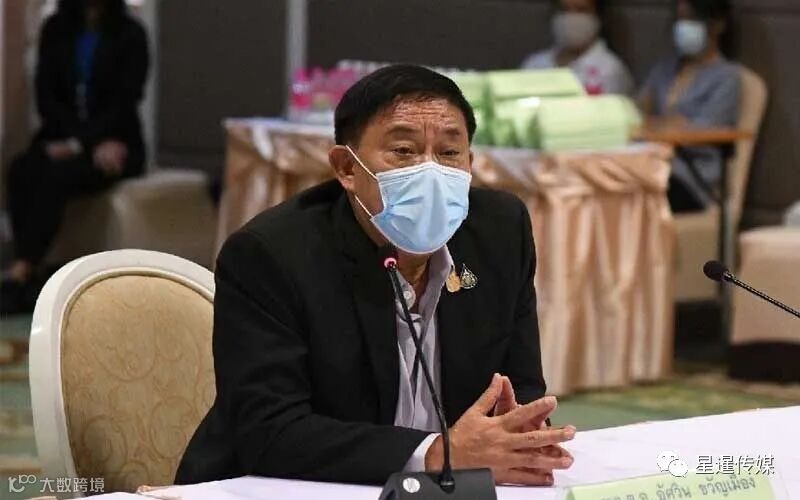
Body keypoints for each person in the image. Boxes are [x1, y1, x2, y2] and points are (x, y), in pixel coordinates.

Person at [176, 65, 576, 486]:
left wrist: (518, 434)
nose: (430, 171)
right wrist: (434, 454)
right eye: (404, 151)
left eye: (449, 153)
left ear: (470, 164)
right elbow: (270, 432)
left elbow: (521, 388)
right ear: (346, 168)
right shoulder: (271, 255)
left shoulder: (499, 231)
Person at [1, 0, 149, 313]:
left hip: (116, 143)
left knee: (57, 177)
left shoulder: (131, 34)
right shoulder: (55, 29)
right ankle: (30, 268)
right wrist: (76, 142)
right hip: (63, 137)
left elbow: (126, 100)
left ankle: (24, 268)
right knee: (22, 169)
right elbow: (46, 96)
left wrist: (85, 144)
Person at [639, 0, 740, 213]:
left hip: (691, 179)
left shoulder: (727, 77)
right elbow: (637, 114)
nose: (684, 26)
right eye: (681, 19)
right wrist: (667, 124)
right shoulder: (664, 69)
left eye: (693, 19)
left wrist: (659, 126)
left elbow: (700, 133)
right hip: (649, 165)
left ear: (718, 24)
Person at [522, 0, 634, 95]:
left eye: (581, 10)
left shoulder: (611, 71)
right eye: (564, 10)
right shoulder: (534, 64)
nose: (571, 18)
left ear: (598, 17)